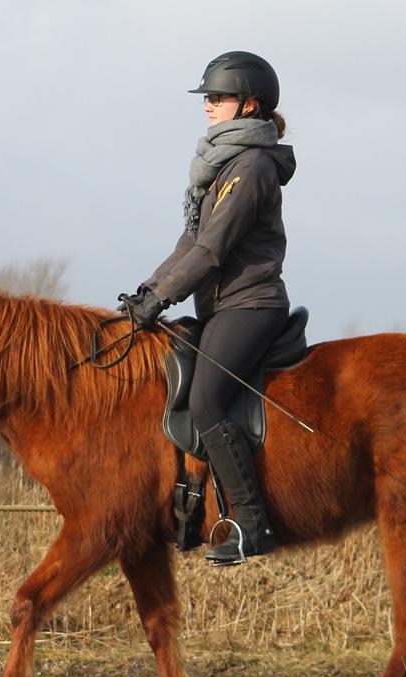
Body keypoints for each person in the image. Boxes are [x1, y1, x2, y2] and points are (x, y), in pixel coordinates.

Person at [120, 51, 296, 565]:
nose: (209, 106)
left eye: (217, 98)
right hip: (222, 305)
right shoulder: (221, 168)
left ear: (249, 105)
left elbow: (213, 249)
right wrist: (146, 292)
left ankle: (249, 525)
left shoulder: (253, 166)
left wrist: (164, 297)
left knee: (207, 401)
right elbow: (188, 243)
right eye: (209, 98)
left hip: (251, 304)